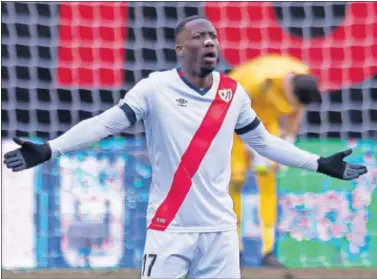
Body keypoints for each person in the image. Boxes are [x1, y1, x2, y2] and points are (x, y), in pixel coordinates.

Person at [3, 16, 367, 278]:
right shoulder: (154, 89)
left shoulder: (232, 92)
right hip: (169, 229)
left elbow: (265, 143)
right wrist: (50, 149)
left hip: (221, 233)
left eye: (212, 36)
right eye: (198, 36)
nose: (209, 41)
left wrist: (319, 163)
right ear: (180, 49)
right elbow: (104, 124)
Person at [228, 54, 322, 267]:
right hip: (232, 124)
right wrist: (252, 142)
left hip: (265, 125)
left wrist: (286, 144)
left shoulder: (302, 78)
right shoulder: (257, 81)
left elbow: (295, 113)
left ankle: (268, 251)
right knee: (235, 180)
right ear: (289, 91)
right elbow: (230, 109)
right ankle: (234, 250)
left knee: (267, 179)